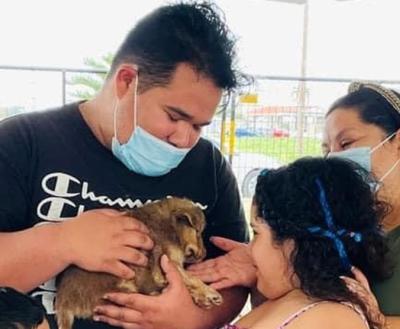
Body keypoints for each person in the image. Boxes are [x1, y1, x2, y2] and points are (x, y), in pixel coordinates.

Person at [0, 2, 250, 329]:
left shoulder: (209, 167)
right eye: (175, 117)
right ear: (127, 81)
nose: (185, 139)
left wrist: (192, 318)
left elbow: (232, 277)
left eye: (199, 126)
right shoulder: (21, 144)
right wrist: (61, 242)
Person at [191, 156, 392, 329]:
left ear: (293, 241)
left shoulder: (330, 318)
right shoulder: (301, 300)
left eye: (256, 233)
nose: (250, 250)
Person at [322, 81, 400, 328]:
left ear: (397, 143)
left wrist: (375, 322)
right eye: (327, 150)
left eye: (346, 144)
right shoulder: (337, 228)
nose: (333, 160)